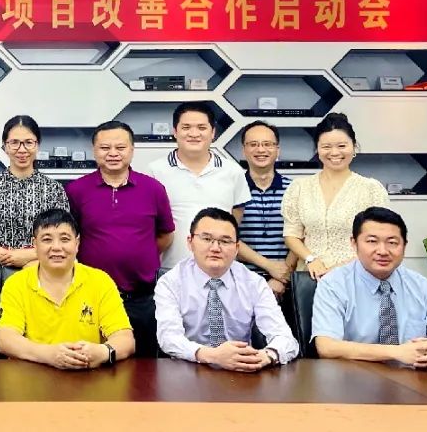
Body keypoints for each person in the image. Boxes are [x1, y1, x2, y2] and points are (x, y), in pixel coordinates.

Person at [66, 120, 174, 358]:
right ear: (94, 150)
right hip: (91, 298)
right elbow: (70, 239)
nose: (113, 153)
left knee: (144, 366)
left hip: (142, 297)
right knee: (91, 361)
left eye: (120, 147)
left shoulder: (153, 189)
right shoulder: (76, 190)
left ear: (132, 150)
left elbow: (165, 235)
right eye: (105, 148)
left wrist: (139, 254)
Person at [313, 207, 427, 367]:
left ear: (404, 245)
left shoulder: (419, 284)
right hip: (355, 376)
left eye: (392, 243)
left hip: (414, 377)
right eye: (372, 241)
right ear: (354, 243)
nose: (383, 251)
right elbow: (326, 347)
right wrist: (396, 352)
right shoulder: (334, 284)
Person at [0, 115, 69, 359]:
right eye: (14, 143)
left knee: (40, 343)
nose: (21, 149)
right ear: (4, 146)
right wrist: (10, 257)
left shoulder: (53, 189)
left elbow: (63, 236)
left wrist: (28, 256)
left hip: (42, 275)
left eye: (28, 142)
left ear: (38, 145)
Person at [155, 207, 299, 371]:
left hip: (240, 371)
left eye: (225, 241)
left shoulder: (253, 283)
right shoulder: (171, 282)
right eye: (207, 239)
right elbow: (168, 338)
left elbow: (286, 339)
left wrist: (267, 356)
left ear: (237, 248)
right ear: (190, 242)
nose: (215, 248)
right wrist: (212, 355)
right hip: (187, 369)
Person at [0, 208, 134, 368]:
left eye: (65, 239)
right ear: (35, 245)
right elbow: (5, 340)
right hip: (33, 375)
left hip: (87, 374)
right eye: (47, 239)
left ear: (77, 243)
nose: (56, 247)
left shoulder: (100, 281)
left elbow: (125, 339)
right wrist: (49, 355)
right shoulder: (16, 284)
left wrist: (102, 352)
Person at [147, 102, 251, 272]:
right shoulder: (155, 171)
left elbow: (235, 218)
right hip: (171, 269)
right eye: (186, 127)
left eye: (202, 128)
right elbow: (150, 225)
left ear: (213, 132)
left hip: (219, 269)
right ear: (175, 132)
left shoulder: (233, 171)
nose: (194, 134)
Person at [284, 113, 389, 280]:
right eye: (326, 146)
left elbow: (379, 239)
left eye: (341, 146)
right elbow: (292, 235)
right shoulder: (299, 187)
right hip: (311, 277)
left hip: (356, 275)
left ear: (354, 147)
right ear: (317, 149)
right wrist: (310, 259)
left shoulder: (370, 189)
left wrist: (340, 269)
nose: (334, 152)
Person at [237, 121, 295, 297]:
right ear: (244, 150)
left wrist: (281, 278)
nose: (260, 149)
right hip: (241, 281)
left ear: (278, 149)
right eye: (253, 144)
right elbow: (228, 238)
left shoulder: (294, 189)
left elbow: (301, 236)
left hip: (285, 283)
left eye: (267, 144)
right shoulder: (233, 188)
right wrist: (269, 266)